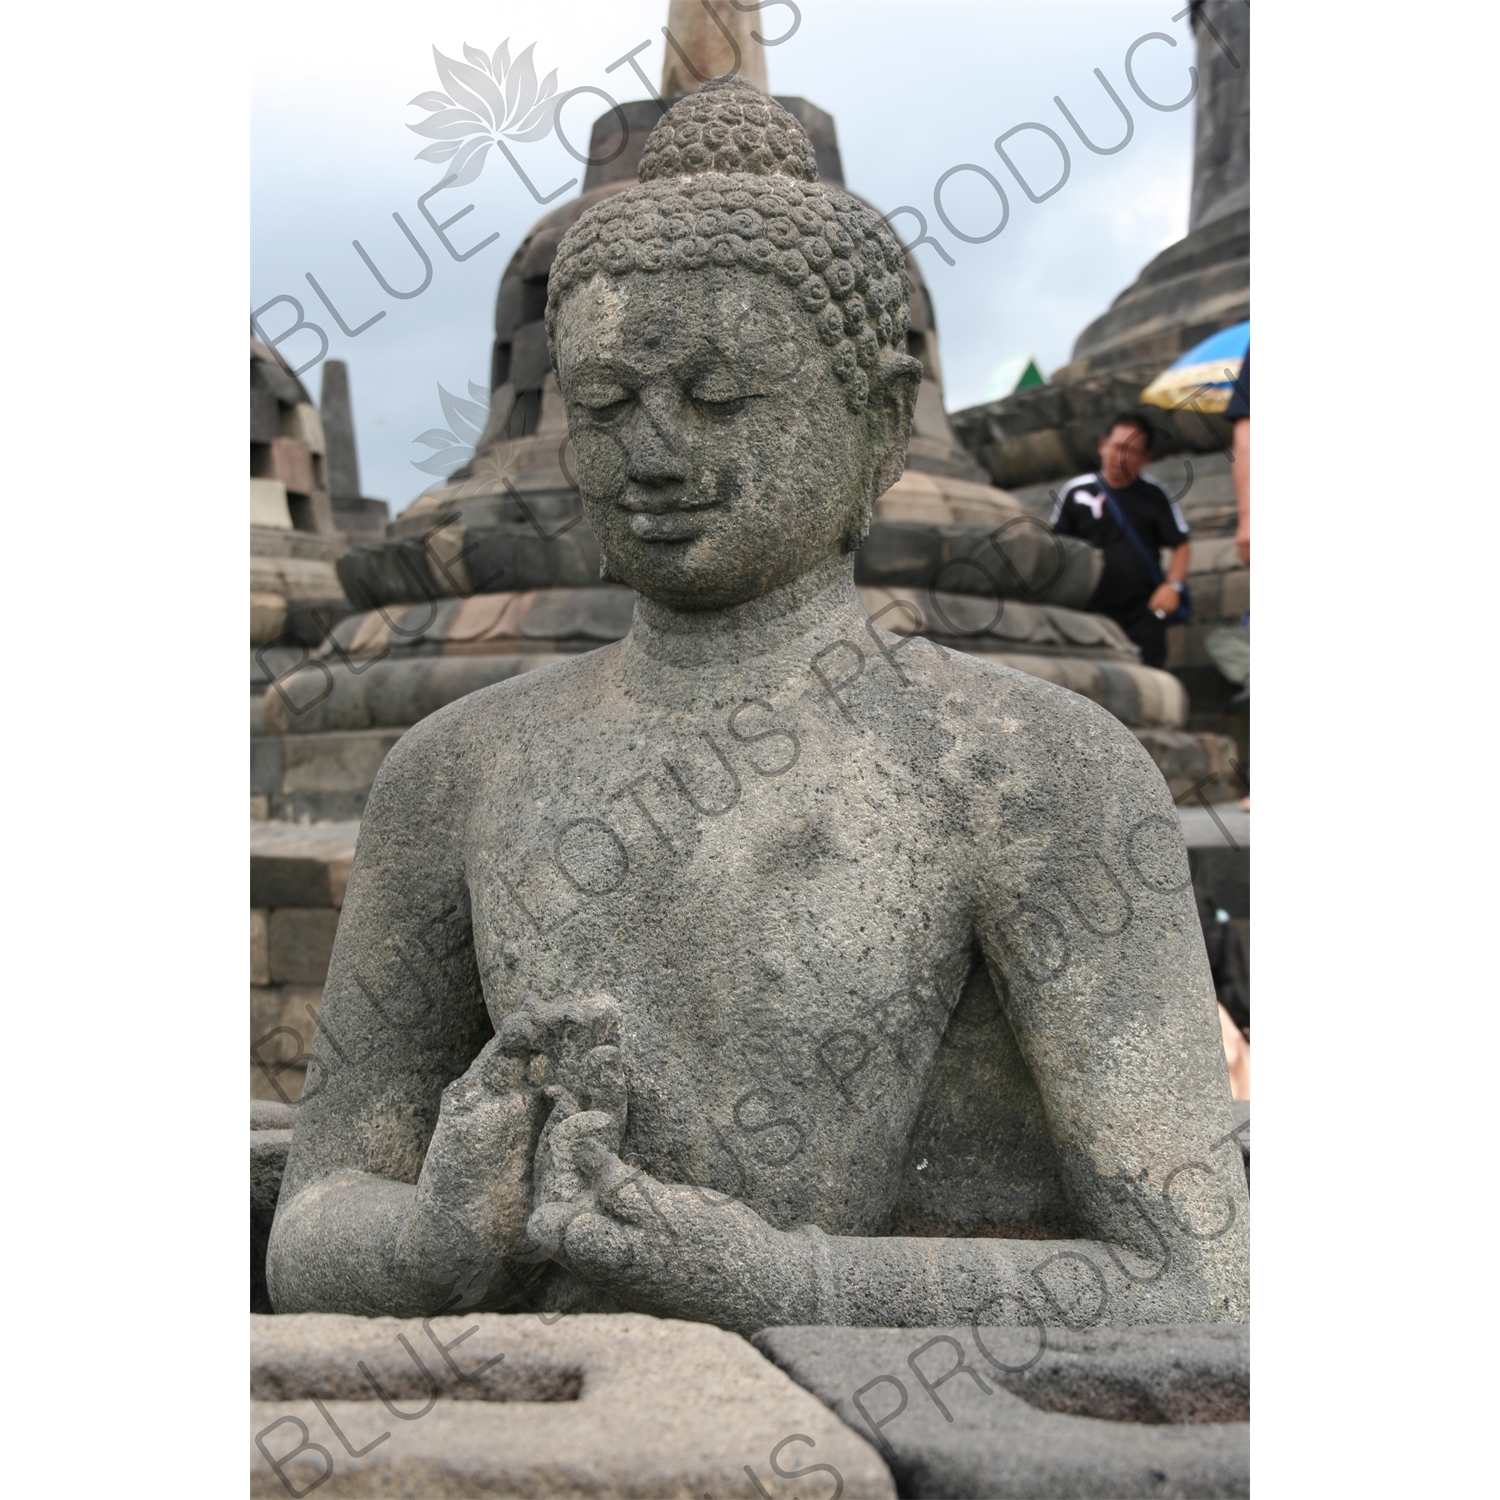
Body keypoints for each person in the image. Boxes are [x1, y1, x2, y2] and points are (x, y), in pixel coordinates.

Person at [267, 79, 1247, 1334]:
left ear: (881, 426)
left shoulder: (1034, 770)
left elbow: (1201, 1277)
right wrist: (430, 1241)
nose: (656, 454)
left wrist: (800, 1283)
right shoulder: (455, 771)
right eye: (608, 404)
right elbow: (312, 1225)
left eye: (722, 397)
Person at [1049, 414, 1190, 668]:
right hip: (1089, 609)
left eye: (1132, 451)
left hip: (1142, 611)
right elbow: (1057, 548)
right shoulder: (1076, 492)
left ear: (1146, 457)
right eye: (1116, 447)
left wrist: (1173, 585)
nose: (1121, 457)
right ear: (1103, 445)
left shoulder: (1154, 494)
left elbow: (1180, 543)